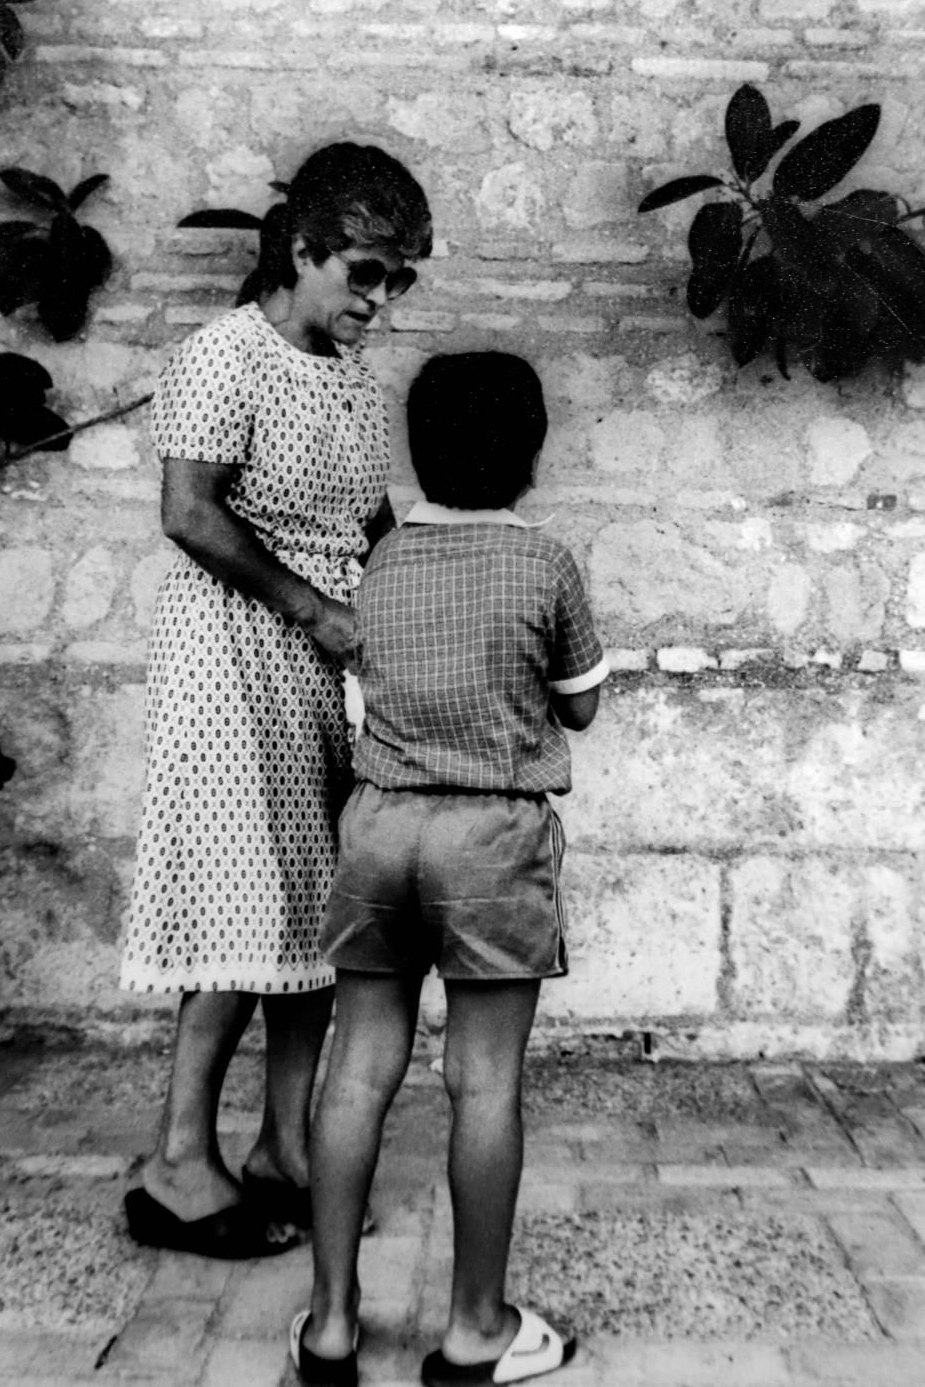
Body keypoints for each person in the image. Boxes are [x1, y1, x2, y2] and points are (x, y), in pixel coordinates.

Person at [119, 140, 433, 1259]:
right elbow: (190, 514)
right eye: (364, 273)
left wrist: (411, 614)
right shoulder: (223, 357)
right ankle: (178, 1164)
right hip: (232, 663)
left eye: (400, 282)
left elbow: (370, 520)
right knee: (239, 911)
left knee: (318, 914)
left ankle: (285, 1147)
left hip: (326, 673)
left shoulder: (351, 378)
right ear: (298, 250)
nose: (381, 302)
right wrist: (315, 609)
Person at [291, 351, 608, 1386]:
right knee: (482, 1080)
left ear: (419, 451)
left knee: (358, 1068)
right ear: (531, 450)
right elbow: (581, 704)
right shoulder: (545, 561)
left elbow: (365, 681)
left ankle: (331, 1323)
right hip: (489, 838)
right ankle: (475, 1328)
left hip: (378, 825)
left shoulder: (380, 567)